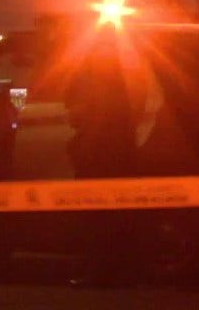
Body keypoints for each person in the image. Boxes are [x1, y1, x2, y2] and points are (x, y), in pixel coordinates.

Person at [64, 45, 138, 287]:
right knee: (110, 219)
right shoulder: (122, 81)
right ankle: (114, 269)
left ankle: (98, 270)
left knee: (95, 219)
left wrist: (80, 146)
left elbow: (78, 114)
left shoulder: (94, 82)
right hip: (115, 159)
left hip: (97, 159)